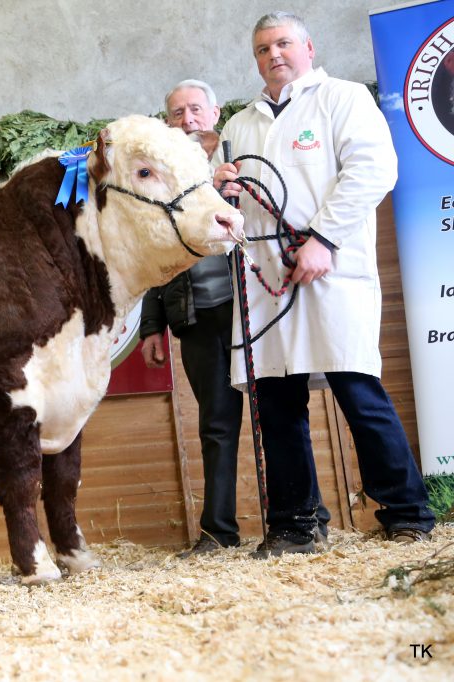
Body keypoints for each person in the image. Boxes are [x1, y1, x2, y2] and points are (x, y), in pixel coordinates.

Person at [214, 11, 436, 558]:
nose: (274, 55)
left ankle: (408, 516)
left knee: (358, 391)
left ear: (308, 47)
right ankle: (296, 525)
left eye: (284, 43)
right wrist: (218, 194)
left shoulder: (342, 99)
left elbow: (373, 169)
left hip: (331, 273)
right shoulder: (238, 127)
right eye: (263, 48)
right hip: (267, 281)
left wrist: (324, 240)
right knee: (275, 399)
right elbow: (234, 215)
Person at [141, 80, 244, 557]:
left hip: (252, 312)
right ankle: (219, 533)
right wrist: (150, 326)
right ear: (168, 123)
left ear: (215, 112)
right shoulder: (162, 179)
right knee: (216, 424)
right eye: (177, 112)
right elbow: (155, 255)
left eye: (196, 109)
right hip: (197, 315)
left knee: (281, 417)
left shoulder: (241, 152)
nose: (188, 119)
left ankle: (301, 520)